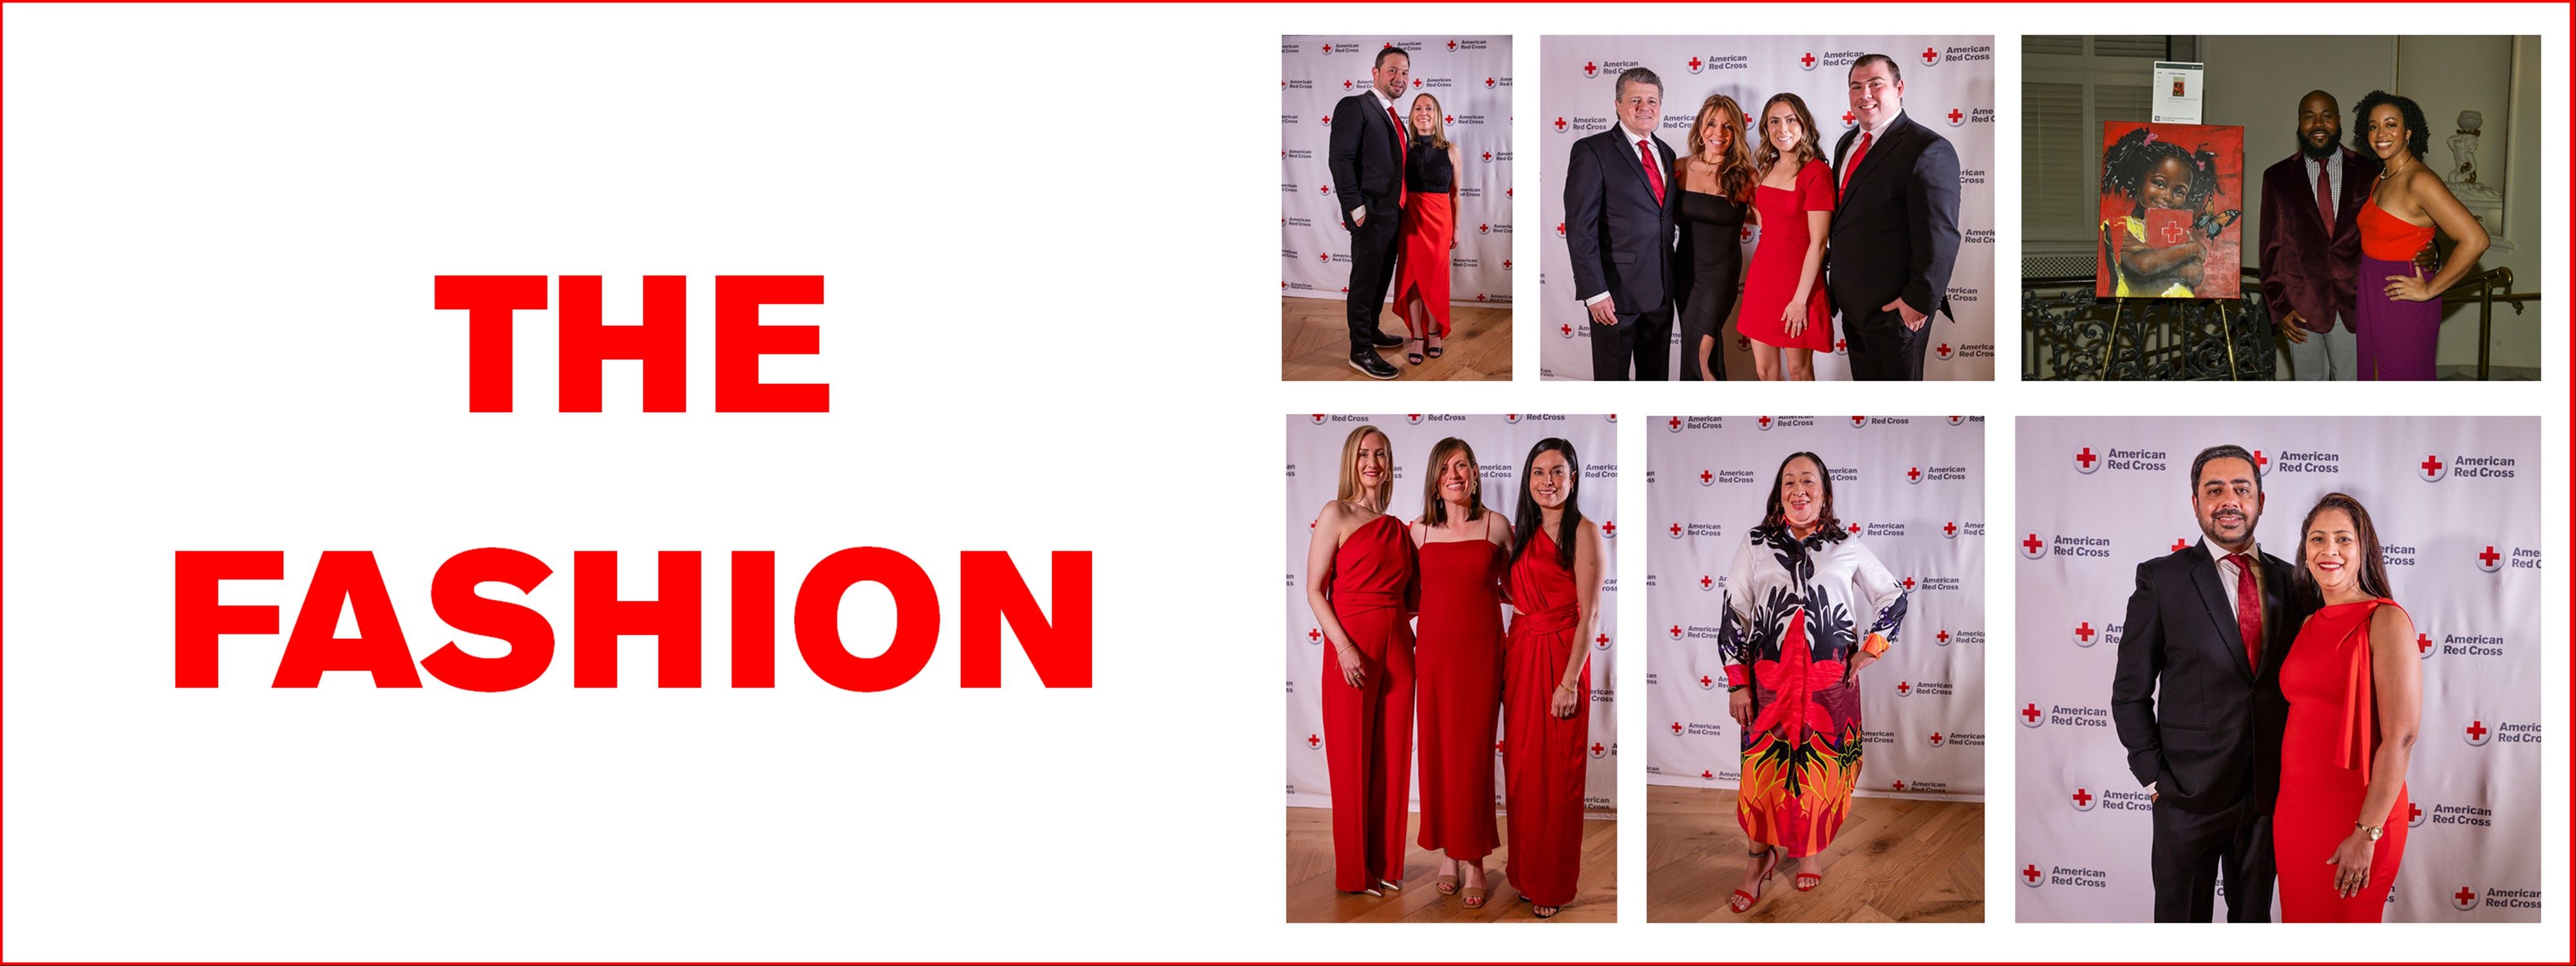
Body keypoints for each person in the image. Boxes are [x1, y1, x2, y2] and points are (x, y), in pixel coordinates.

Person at [2110, 444, 2316, 922]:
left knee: (2253, 924)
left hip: (2268, 796)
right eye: (2214, 490)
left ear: (2261, 501)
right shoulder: (2162, 580)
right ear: (2196, 503)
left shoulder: (2296, 585)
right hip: (2186, 797)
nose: (2229, 500)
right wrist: (2154, 779)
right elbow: (2130, 692)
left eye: (2241, 489)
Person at [1716, 451, 1908, 913]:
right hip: (1768, 686)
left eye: (1808, 481)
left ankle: (1810, 851)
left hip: (1829, 687)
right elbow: (1734, 611)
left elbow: (1894, 595)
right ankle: (1758, 859)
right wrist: (1736, 681)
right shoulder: (1756, 542)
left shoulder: (1848, 545)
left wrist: (1873, 648)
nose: (1798, 489)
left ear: (1824, 493)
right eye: (1789, 482)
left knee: (1821, 773)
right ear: (1778, 493)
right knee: (1761, 775)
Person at [2275, 493, 2419, 922]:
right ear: (2305, 551)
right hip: (2297, 815)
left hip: (2359, 816)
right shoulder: (2307, 622)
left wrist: (2366, 833)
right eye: (2317, 539)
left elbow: (2402, 737)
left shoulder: (2386, 620)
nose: (2329, 550)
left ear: (2364, 550)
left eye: (2343, 539)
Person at [1302, 425, 1416, 895]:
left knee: (1392, 761)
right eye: (1365, 454)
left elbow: (1413, 601)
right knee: (1352, 762)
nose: (1374, 462)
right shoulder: (1337, 513)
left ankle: (1386, 865)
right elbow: (1313, 590)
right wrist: (1344, 647)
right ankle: (1354, 871)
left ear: (1390, 465)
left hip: (1399, 648)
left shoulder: (1400, 529)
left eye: (1382, 455)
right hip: (1352, 649)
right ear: (1352, 461)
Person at [1500, 437, 1601, 918]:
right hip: (1520, 655)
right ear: (1528, 480)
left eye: (1557, 472)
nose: (1547, 481)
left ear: (1573, 478)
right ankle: (1524, 873)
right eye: (1539, 472)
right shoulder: (1521, 532)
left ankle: (1553, 883)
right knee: (1522, 774)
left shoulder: (1584, 532)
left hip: (1562, 657)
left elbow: (1591, 613)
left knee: (1557, 777)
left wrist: (1569, 681)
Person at [1409, 437, 1510, 907]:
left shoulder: (1496, 527)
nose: (1456, 473)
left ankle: (1474, 861)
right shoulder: (1417, 533)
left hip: (1480, 659)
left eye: (1464, 465)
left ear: (1475, 474)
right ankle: (1448, 855)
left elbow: (1517, 588)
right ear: (1435, 477)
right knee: (1437, 756)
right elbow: (1407, 594)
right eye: (1447, 467)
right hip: (1432, 660)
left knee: (1471, 759)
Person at [1827, 54, 1961, 381]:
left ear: (1899, 88)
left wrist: (1916, 304)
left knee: (1902, 416)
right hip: (1853, 310)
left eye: (1876, 84)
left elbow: (1940, 238)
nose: (1865, 95)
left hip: (1895, 314)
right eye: (1856, 87)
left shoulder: (1928, 148)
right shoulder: (1847, 143)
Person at [2351, 90, 2490, 381]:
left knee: (2403, 383)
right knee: (2375, 379)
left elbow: (2476, 240)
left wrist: (2429, 289)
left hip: (2403, 295)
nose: (2381, 134)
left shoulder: (2420, 180)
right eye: (2374, 126)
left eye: (2391, 124)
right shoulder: (2383, 176)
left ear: (2409, 132)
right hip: (2373, 289)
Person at [1562, 67, 1678, 381]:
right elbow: (1579, 227)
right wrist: (1594, 292)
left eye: (1652, 101)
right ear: (1617, 104)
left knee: (1654, 381)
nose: (1645, 108)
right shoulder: (1592, 151)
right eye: (1635, 100)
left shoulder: (1667, 154)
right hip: (1614, 295)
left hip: (1661, 292)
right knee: (1612, 381)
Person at [2261, 91, 2374, 381]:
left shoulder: (2370, 171)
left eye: (2327, 115)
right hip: (2300, 310)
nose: (2318, 123)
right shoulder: (2278, 177)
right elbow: (2270, 247)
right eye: (2309, 117)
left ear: (2339, 121)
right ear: (2299, 124)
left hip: (2354, 305)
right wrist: (2280, 307)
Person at [1328, 47, 1419, 379]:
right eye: (1393, 70)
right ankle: (1360, 350)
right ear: (1376, 72)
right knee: (1366, 281)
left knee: (1381, 279)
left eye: (1405, 72)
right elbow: (1340, 160)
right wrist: (1355, 207)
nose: (1400, 78)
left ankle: (1372, 331)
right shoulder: (1355, 106)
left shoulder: (1396, 116)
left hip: (1393, 215)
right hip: (1370, 214)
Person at [1739, 93, 1835, 381]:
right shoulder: (1766, 167)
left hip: (1799, 284)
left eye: (1791, 120)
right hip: (1762, 279)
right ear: (1766, 129)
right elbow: (1767, 220)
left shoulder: (1816, 172)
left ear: (1804, 124)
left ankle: (1805, 425)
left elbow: (1818, 244)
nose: (1783, 129)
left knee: (1798, 371)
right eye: (1775, 122)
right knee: (1765, 371)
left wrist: (1799, 301)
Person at [1671, 93, 1756, 382]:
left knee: (1701, 354)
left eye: (1728, 127)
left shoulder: (1745, 175)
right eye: (1712, 124)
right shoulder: (1680, 169)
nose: (1718, 133)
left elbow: (1770, 221)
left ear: (1737, 133)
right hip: (1683, 272)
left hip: (1721, 275)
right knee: (1692, 342)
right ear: (1700, 128)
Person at [2098, 127, 2235, 298]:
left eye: (2179, 192)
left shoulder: (2180, 228)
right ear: (2138, 179)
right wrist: (2192, 249)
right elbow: (2143, 267)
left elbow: (2195, 274)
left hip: (2182, 311)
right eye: (2159, 184)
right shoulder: (2118, 226)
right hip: (2140, 315)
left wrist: (2147, 250)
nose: (2168, 196)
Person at [1392, 93, 1465, 366]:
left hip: (1439, 223)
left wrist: (1456, 229)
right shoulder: (1404, 149)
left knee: (1434, 279)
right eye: (1418, 108)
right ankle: (1418, 336)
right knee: (1412, 281)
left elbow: (1456, 194)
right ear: (1411, 115)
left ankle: (1435, 332)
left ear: (1438, 114)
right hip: (1411, 221)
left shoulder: (1451, 150)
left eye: (1429, 108)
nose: (1424, 112)